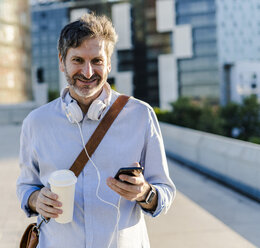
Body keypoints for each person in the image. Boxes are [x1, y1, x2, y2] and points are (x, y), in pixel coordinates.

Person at [17, 13, 175, 248]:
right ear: (62, 61)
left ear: (109, 63)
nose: (88, 73)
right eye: (78, 60)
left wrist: (145, 193)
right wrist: (35, 199)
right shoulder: (36, 122)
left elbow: (165, 193)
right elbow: (25, 186)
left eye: (97, 61)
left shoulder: (141, 115)